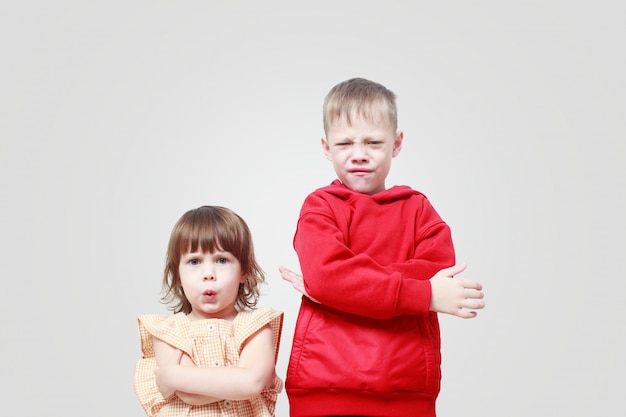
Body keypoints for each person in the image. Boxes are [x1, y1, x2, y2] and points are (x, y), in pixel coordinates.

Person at [279, 78, 485, 417]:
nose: (359, 155)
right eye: (345, 143)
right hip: (324, 381)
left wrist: (340, 286)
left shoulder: (418, 209)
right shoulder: (319, 207)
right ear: (327, 147)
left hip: (405, 384)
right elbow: (328, 277)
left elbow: (436, 273)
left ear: (396, 142)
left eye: (373, 142)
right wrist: (422, 294)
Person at [134, 205, 284, 417]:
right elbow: (189, 393)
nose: (208, 274)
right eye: (194, 261)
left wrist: (174, 377)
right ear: (177, 275)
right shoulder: (167, 332)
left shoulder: (256, 328)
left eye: (222, 260)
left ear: (244, 270)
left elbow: (250, 383)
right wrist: (233, 383)